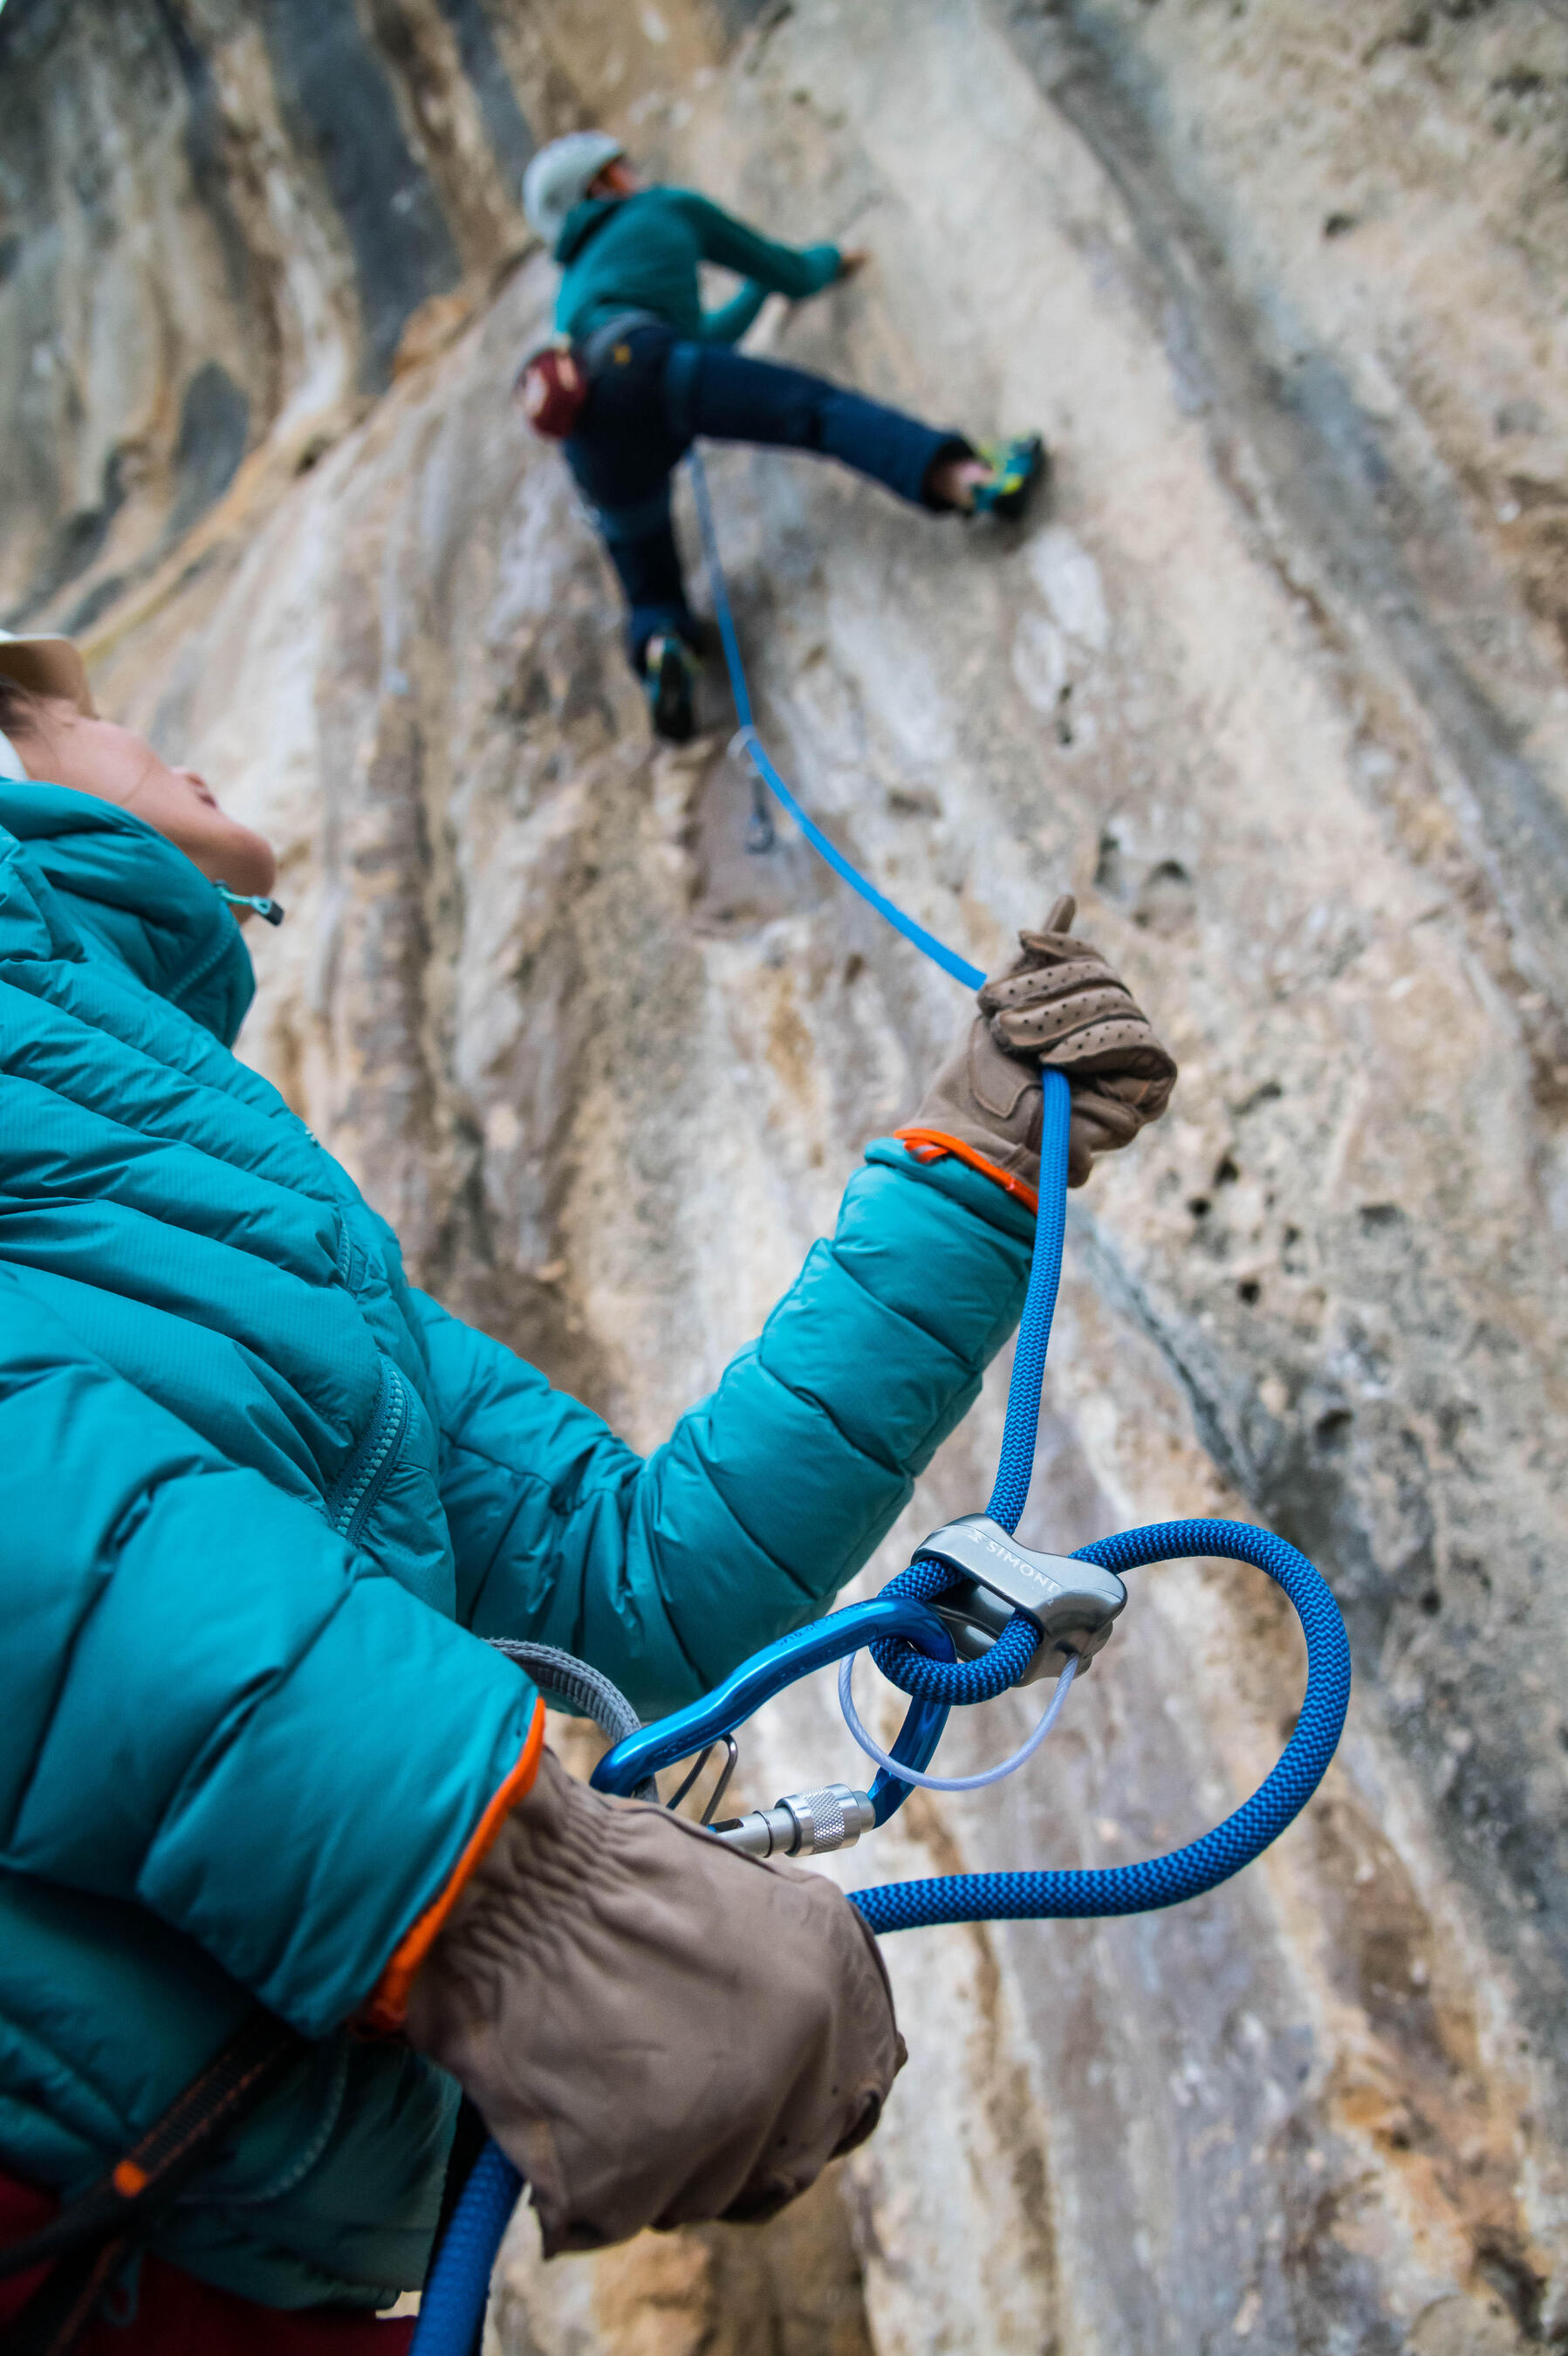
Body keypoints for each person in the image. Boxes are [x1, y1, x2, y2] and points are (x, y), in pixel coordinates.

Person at [0, 627, 1174, 2351]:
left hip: (200, 2250)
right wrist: (502, 1893)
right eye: (60, 718)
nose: (148, 740)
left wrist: (975, 1170)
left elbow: (626, 1580)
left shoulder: (256, 1221)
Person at [518, 134, 1047, 743]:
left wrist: (754, 296)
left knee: (647, 576)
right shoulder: (663, 210)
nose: (637, 172)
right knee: (814, 412)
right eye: (622, 167)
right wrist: (825, 259)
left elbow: (704, 340)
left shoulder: (572, 290)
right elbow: (785, 271)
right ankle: (969, 480)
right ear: (601, 185)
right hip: (651, 365)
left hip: (590, 429)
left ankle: (665, 645)